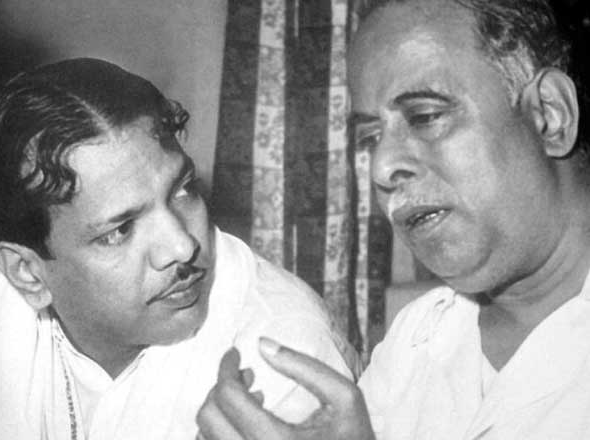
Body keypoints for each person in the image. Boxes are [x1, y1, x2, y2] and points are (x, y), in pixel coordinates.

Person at [195, 0, 590, 439]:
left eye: (426, 117)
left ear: (549, 114)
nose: (382, 168)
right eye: (369, 137)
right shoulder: (418, 337)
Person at [0, 58, 358, 440]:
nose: (183, 246)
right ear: (27, 273)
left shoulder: (283, 356)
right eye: (120, 231)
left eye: (182, 190)